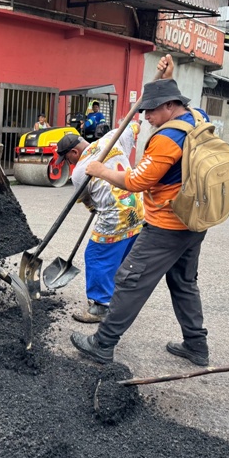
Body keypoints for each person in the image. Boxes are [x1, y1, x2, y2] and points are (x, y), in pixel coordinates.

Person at [70, 70, 213, 367]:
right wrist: (165, 80)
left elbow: (137, 181)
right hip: (195, 220)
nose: (146, 115)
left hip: (167, 224)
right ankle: (196, 346)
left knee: (129, 280)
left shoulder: (167, 138)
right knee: (184, 282)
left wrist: (102, 172)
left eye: (151, 109)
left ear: (170, 106)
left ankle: (102, 344)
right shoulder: (197, 118)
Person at [55, 122, 144, 323]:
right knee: (120, 257)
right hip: (138, 210)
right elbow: (133, 127)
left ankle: (100, 307)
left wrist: (96, 208)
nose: (68, 163)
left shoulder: (80, 172)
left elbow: (88, 201)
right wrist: (134, 125)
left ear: (74, 153)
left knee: (96, 256)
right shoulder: (112, 138)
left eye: (66, 158)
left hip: (115, 217)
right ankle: (120, 299)